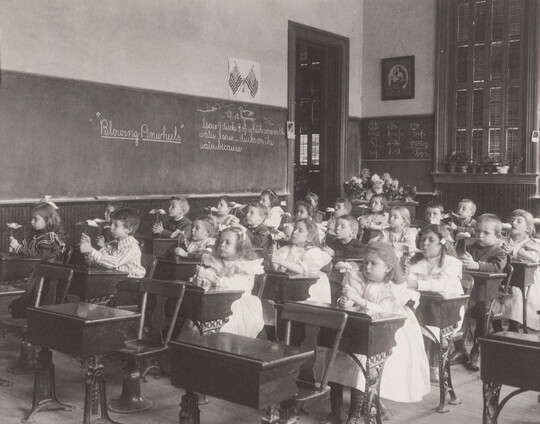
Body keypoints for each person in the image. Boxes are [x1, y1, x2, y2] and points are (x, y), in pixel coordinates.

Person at [322, 242, 429, 423]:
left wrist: (359, 301)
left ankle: (355, 414)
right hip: (360, 328)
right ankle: (336, 409)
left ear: (388, 268)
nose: (367, 267)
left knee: (361, 364)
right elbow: (351, 299)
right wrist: (346, 301)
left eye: (373, 264)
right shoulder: (359, 279)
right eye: (365, 263)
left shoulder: (393, 288)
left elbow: (384, 311)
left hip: (388, 334)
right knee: (334, 357)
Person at [406, 224, 463, 382]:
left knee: (421, 316)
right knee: (406, 316)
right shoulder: (415, 261)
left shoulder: (453, 263)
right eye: (423, 239)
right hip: (422, 306)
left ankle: (432, 366)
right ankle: (414, 364)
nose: (424, 243)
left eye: (431, 240)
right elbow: (406, 283)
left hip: (447, 309)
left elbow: (443, 285)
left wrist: (416, 284)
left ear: (442, 243)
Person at [451, 214, 508, 371]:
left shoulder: (499, 251)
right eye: (477, 232)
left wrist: (477, 265)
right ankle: (460, 348)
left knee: (483, 315)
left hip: (490, 296)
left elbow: (497, 267)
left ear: (498, 236)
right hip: (469, 294)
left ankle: (477, 349)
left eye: (486, 233)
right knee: (456, 312)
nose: (480, 236)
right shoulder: (469, 247)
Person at [191, 226, 264, 337]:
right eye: (220, 241)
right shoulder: (218, 262)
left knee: (226, 329)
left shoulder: (244, 265)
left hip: (237, 305)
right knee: (197, 323)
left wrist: (210, 277)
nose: (222, 245)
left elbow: (232, 286)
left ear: (240, 246)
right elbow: (210, 276)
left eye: (227, 242)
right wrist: (201, 277)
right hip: (218, 301)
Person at [8, 202, 67, 318]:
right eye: (32, 219)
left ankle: (17, 306)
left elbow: (40, 257)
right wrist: (15, 247)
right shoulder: (35, 234)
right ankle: (11, 304)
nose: (32, 222)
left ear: (48, 220)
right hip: (32, 270)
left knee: (19, 285)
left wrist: (18, 248)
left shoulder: (49, 237)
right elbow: (27, 251)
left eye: (35, 219)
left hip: (41, 275)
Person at [496, 209, 540, 332]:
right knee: (493, 293)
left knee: (515, 294)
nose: (514, 223)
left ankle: (513, 327)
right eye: (512, 220)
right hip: (505, 279)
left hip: (527, 281)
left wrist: (514, 251)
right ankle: (496, 328)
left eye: (519, 221)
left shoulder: (533, 243)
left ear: (528, 228)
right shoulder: (503, 241)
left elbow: (535, 258)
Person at [271, 218, 332, 303]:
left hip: (309, 287)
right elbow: (278, 270)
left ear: (309, 237)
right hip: (291, 284)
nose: (294, 232)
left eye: (300, 231)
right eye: (295, 229)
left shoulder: (313, 252)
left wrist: (280, 261)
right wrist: (273, 258)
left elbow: (302, 270)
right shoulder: (286, 250)